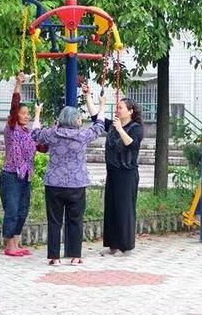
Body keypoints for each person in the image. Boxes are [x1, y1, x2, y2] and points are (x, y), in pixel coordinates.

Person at [31, 95, 106, 266]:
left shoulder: (52, 133)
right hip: (77, 184)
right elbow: (100, 126)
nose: (81, 119)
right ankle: (75, 256)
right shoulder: (83, 135)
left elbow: (35, 134)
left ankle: (54, 257)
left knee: (54, 221)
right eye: (79, 116)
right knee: (75, 220)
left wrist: (37, 113)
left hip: (54, 184)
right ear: (73, 119)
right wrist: (101, 105)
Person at [82, 84, 144, 256]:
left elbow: (132, 144)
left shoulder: (136, 128)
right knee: (111, 208)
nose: (117, 110)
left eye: (121, 107)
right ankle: (113, 245)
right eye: (117, 107)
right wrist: (89, 97)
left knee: (125, 208)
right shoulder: (113, 124)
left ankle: (126, 246)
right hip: (113, 172)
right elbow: (96, 117)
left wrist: (119, 129)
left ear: (130, 111)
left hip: (127, 173)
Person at [1, 72, 47, 257]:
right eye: (23, 113)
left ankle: (17, 244)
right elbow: (13, 107)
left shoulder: (29, 133)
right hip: (11, 176)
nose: (26, 116)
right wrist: (18, 85)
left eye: (28, 113)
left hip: (26, 177)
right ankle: (9, 245)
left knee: (22, 210)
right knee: (12, 209)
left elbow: (43, 147)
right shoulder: (11, 128)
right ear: (16, 115)